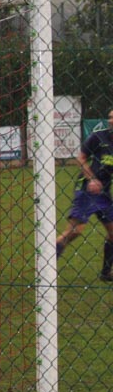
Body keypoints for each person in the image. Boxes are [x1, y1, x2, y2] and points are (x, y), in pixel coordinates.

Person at [56, 109, 113, 282]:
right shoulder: (98, 137)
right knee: (74, 231)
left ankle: (106, 273)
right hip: (86, 190)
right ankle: (46, 264)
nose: (111, 121)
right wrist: (92, 179)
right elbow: (81, 158)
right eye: (110, 117)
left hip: (104, 194)